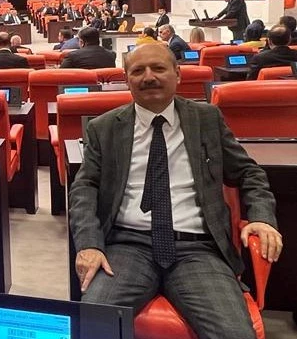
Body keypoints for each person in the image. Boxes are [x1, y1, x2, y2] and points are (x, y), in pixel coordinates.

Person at [69, 43, 281, 339]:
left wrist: (261, 217)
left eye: (158, 68)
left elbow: (249, 172)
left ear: (177, 74)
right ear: (127, 79)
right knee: (90, 326)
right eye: (138, 71)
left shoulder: (206, 119)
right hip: (127, 247)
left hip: (197, 249)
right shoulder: (104, 128)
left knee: (235, 333)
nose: (148, 77)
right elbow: (84, 189)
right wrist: (89, 244)